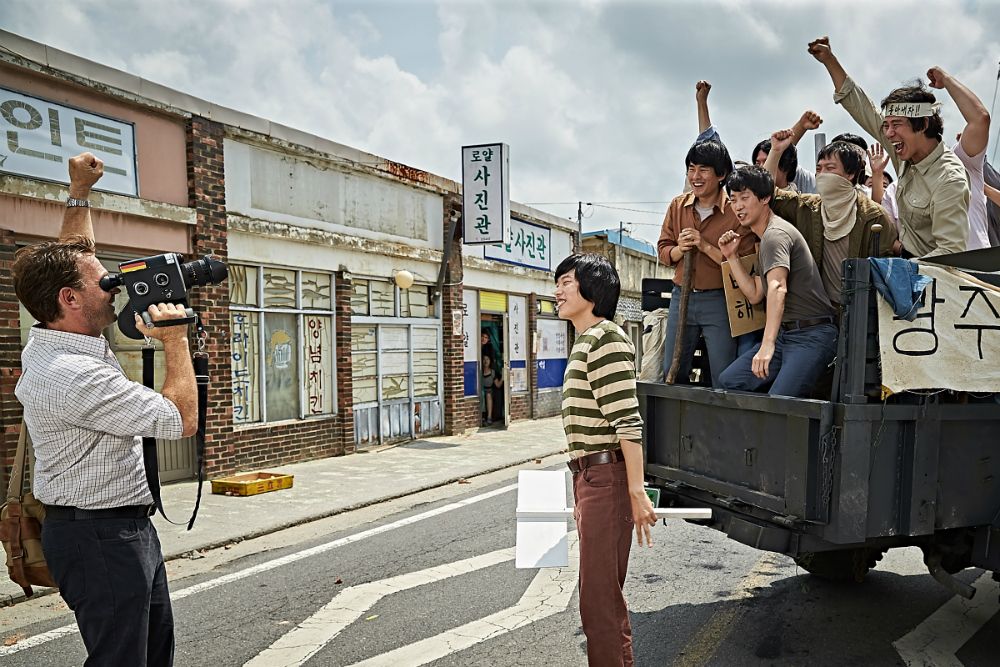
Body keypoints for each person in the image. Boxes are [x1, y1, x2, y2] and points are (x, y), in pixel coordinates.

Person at [11, 153, 198, 667]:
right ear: (70, 298)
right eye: (105, 283)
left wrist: (79, 193)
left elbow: (76, 250)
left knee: (151, 652)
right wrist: (175, 340)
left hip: (118, 528)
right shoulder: (74, 374)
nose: (114, 287)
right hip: (99, 536)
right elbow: (180, 419)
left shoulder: (52, 336)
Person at [554, 253, 656, 667]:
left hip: (606, 479)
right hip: (589, 479)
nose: (557, 291)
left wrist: (635, 491)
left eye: (565, 282)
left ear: (591, 289)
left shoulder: (606, 339)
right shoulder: (586, 341)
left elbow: (628, 423)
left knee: (600, 601)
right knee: (597, 597)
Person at [809, 36, 970, 257]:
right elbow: (862, 107)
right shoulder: (905, 151)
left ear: (922, 124)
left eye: (896, 125)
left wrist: (904, 270)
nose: (888, 133)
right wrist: (829, 60)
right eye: (886, 125)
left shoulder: (948, 178)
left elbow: (950, 253)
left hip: (929, 281)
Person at [717, 166, 838, 398]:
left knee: (780, 401)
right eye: (733, 200)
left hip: (812, 334)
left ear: (765, 198)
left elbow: (777, 287)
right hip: (787, 335)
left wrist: (767, 345)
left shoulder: (775, 234)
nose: (738, 206)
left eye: (745, 197)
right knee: (730, 381)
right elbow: (754, 295)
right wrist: (731, 256)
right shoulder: (765, 240)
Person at [657, 139, 755, 386]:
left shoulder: (736, 212)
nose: (695, 176)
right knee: (673, 370)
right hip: (682, 297)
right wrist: (681, 249)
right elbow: (663, 251)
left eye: (703, 170)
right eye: (691, 168)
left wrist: (704, 246)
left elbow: (741, 265)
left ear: (721, 174)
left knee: (723, 374)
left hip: (720, 300)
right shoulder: (678, 206)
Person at [763, 130, 898, 306]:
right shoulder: (807, 207)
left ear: (850, 174)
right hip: (820, 316)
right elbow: (766, 193)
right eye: (819, 169)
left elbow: (885, 272)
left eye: (830, 168)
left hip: (862, 314)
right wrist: (776, 151)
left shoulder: (875, 217)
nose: (822, 174)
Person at [693, 80, 819, 193]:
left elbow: (785, 151)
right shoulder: (749, 192)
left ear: (786, 168)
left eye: (766, 161)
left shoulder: (801, 198)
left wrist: (802, 127)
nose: (762, 168)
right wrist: (702, 103)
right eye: (757, 163)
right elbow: (712, 151)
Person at [928, 64, 992, 250]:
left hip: (976, 268)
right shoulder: (902, 180)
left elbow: (980, 119)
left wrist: (946, 80)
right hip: (932, 271)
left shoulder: (961, 159)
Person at [481, 353, 495, 425]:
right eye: (484, 359)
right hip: (482, 390)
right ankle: (482, 417)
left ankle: (489, 417)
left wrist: (503, 378)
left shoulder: (492, 372)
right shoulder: (480, 371)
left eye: (487, 359)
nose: (485, 361)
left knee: (488, 395)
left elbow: (498, 385)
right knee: (482, 394)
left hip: (490, 390)